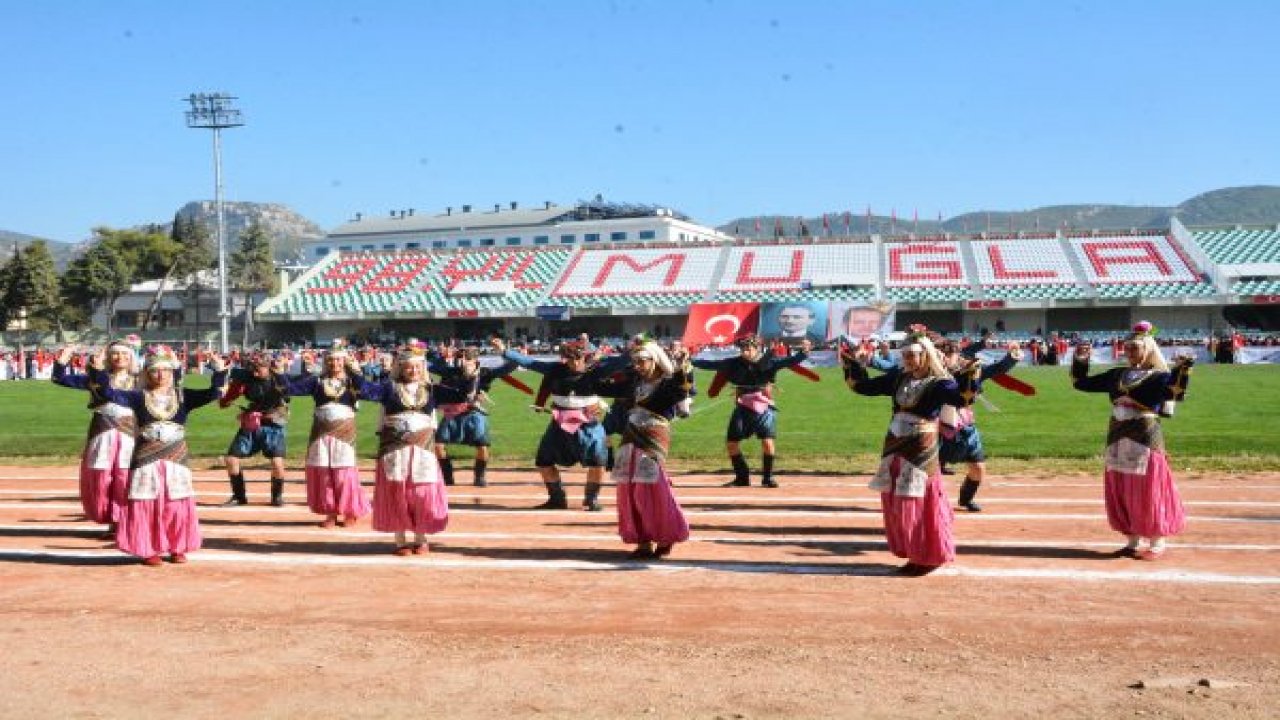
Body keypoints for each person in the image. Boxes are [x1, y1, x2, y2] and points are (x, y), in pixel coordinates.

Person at [840, 326, 978, 575]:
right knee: (897, 500)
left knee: (916, 500)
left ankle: (928, 555)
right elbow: (863, 387)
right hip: (895, 443)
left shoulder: (939, 383)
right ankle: (914, 553)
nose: (908, 360)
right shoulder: (898, 378)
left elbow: (962, 398)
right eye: (905, 355)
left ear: (925, 354)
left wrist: (969, 373)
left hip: (920, 447)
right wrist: (853, 361)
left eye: (912, 355)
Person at [88, 345, 227, 566]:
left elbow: (213, 393)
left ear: (172, 372)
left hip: (176, 455)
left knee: (177, 501)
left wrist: (219, 371)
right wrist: (97, 371)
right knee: (146, 500)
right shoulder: (138, 397)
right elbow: (108, 393)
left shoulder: (183, 396)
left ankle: (178, 546)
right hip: (146, 456)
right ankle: (148, 548)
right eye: (155, 370)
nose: (161, 375)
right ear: (147, 373)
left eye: (166, 370)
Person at [1071, 321, 1192, 560]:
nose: (1129, 352)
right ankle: (1132, 539)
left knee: (1148, 486)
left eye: (1134, 348)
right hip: (1117, 431)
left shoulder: (1160, 376)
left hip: (1144, 433)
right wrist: (1081, 360)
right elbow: (1081, 383)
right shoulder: (1117, 374)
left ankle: (1157, 541)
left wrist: (1182, 368)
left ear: (1147, 349)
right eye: (1127, 348)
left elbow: (1175, 393)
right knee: (1122, 484)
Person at [498, 337, 621, 511]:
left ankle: (591, 499)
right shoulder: (555, 369)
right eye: (570, 359)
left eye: (577, 358)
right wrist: (504, 351)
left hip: (589, 425)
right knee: (543, 461)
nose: (574, 363)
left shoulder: (597, 371)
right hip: (559, 424)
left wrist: (640, 350)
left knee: (598, 461)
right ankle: (557, 499)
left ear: (585, 356)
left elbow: (620, 362)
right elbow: (529, 363)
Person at [600, 340, 693, 560]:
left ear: (654, 360)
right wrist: (598, 367)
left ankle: (665, 537)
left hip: (653, 436)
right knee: (628, 488)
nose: (638, 365)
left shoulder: (667, 382)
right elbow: (602, 386)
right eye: (635, 361)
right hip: (630, 434)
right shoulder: (632, 381)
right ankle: (642, 540)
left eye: (642, 361)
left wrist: (682, 366)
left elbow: (683, 389)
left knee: (650, 487)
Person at [691, 334, 811, 488]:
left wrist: (804, 352)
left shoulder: (769, 362)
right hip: (743, 406)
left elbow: (789, 361)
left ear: (756, 348)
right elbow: (710, 364)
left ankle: (767, 478)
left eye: (748, 348)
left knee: (767, 442)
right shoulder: (733, 363)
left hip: (764, 406)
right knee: (732, 444)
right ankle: (742, 478)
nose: (744, 351)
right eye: (742, 348)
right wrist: (690, 361)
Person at [361, 342, 447, 555]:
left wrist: (472, 374)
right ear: (400, 367)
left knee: (421, 493)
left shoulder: (431, 389)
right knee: (396, 492)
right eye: (409, 366)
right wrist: (354, 370)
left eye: (418, 366)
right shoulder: (388, 388)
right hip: (395, 450)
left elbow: (461, 392)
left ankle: (421, 537)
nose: (413, 370)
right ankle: (400, 541)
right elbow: (366, 391)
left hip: (422, 450)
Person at [51, 337, 142, 539]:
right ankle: (113, 521)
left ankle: (126, 521)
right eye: (115, 353)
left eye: (124, 354)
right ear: (108, 357)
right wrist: (64, 358)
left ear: (131, 357)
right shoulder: (95, 378)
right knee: (103, 478)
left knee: (126, 478)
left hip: (130, 434)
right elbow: (59, 378)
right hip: (103, 434)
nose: (119, 357)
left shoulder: (141, 381)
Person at [291, 341, 373, 529]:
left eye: (338, 360)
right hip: (321, 432)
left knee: (344, 472)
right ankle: (331, 511)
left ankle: (350, 510)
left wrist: (356, 372)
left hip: (344, 432)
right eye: (331, 360)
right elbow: (292, 389)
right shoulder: (317, 381)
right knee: (324, 471)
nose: (334, 364)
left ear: (344, 361)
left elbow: (368, 391)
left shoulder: (352, 381)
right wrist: (280, 372)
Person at [937, 339, 1024, 512]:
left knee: (978, 469)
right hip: (937, 429)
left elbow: (997, 369)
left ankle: (966, 499)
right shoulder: (931, 373)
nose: (946, 358)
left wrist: (1012, 355)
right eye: (943, 354)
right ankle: (928, 501)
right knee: (930, 473)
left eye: (950, 354)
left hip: (965, 428)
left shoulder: (969, 370)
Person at [428, 343, 520, 487]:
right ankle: (447, 477)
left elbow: (510, 366)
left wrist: (505, 352)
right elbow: (429, 365)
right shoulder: (451, 371)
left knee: (482, 445)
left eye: (468, 359)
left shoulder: (485, 373)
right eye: (461, 359)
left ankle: (480, 477)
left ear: (476, 360)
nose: (464, 362)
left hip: (473, 413)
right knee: (438, 445)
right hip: (452, 414)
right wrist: (439, 355)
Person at [219, 352, 304, 507]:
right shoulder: (245, 379)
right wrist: (228, 399)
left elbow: (287, 400)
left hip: (273, 426)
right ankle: (239, 497)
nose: (254, 372)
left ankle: (277, 497)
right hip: (252, 424)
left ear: (268, 367)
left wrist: (273, 414)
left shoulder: (278, 379)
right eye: (252, 368)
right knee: (231, 459)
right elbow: (227, 399)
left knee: (277, 462)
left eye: (258, 368)